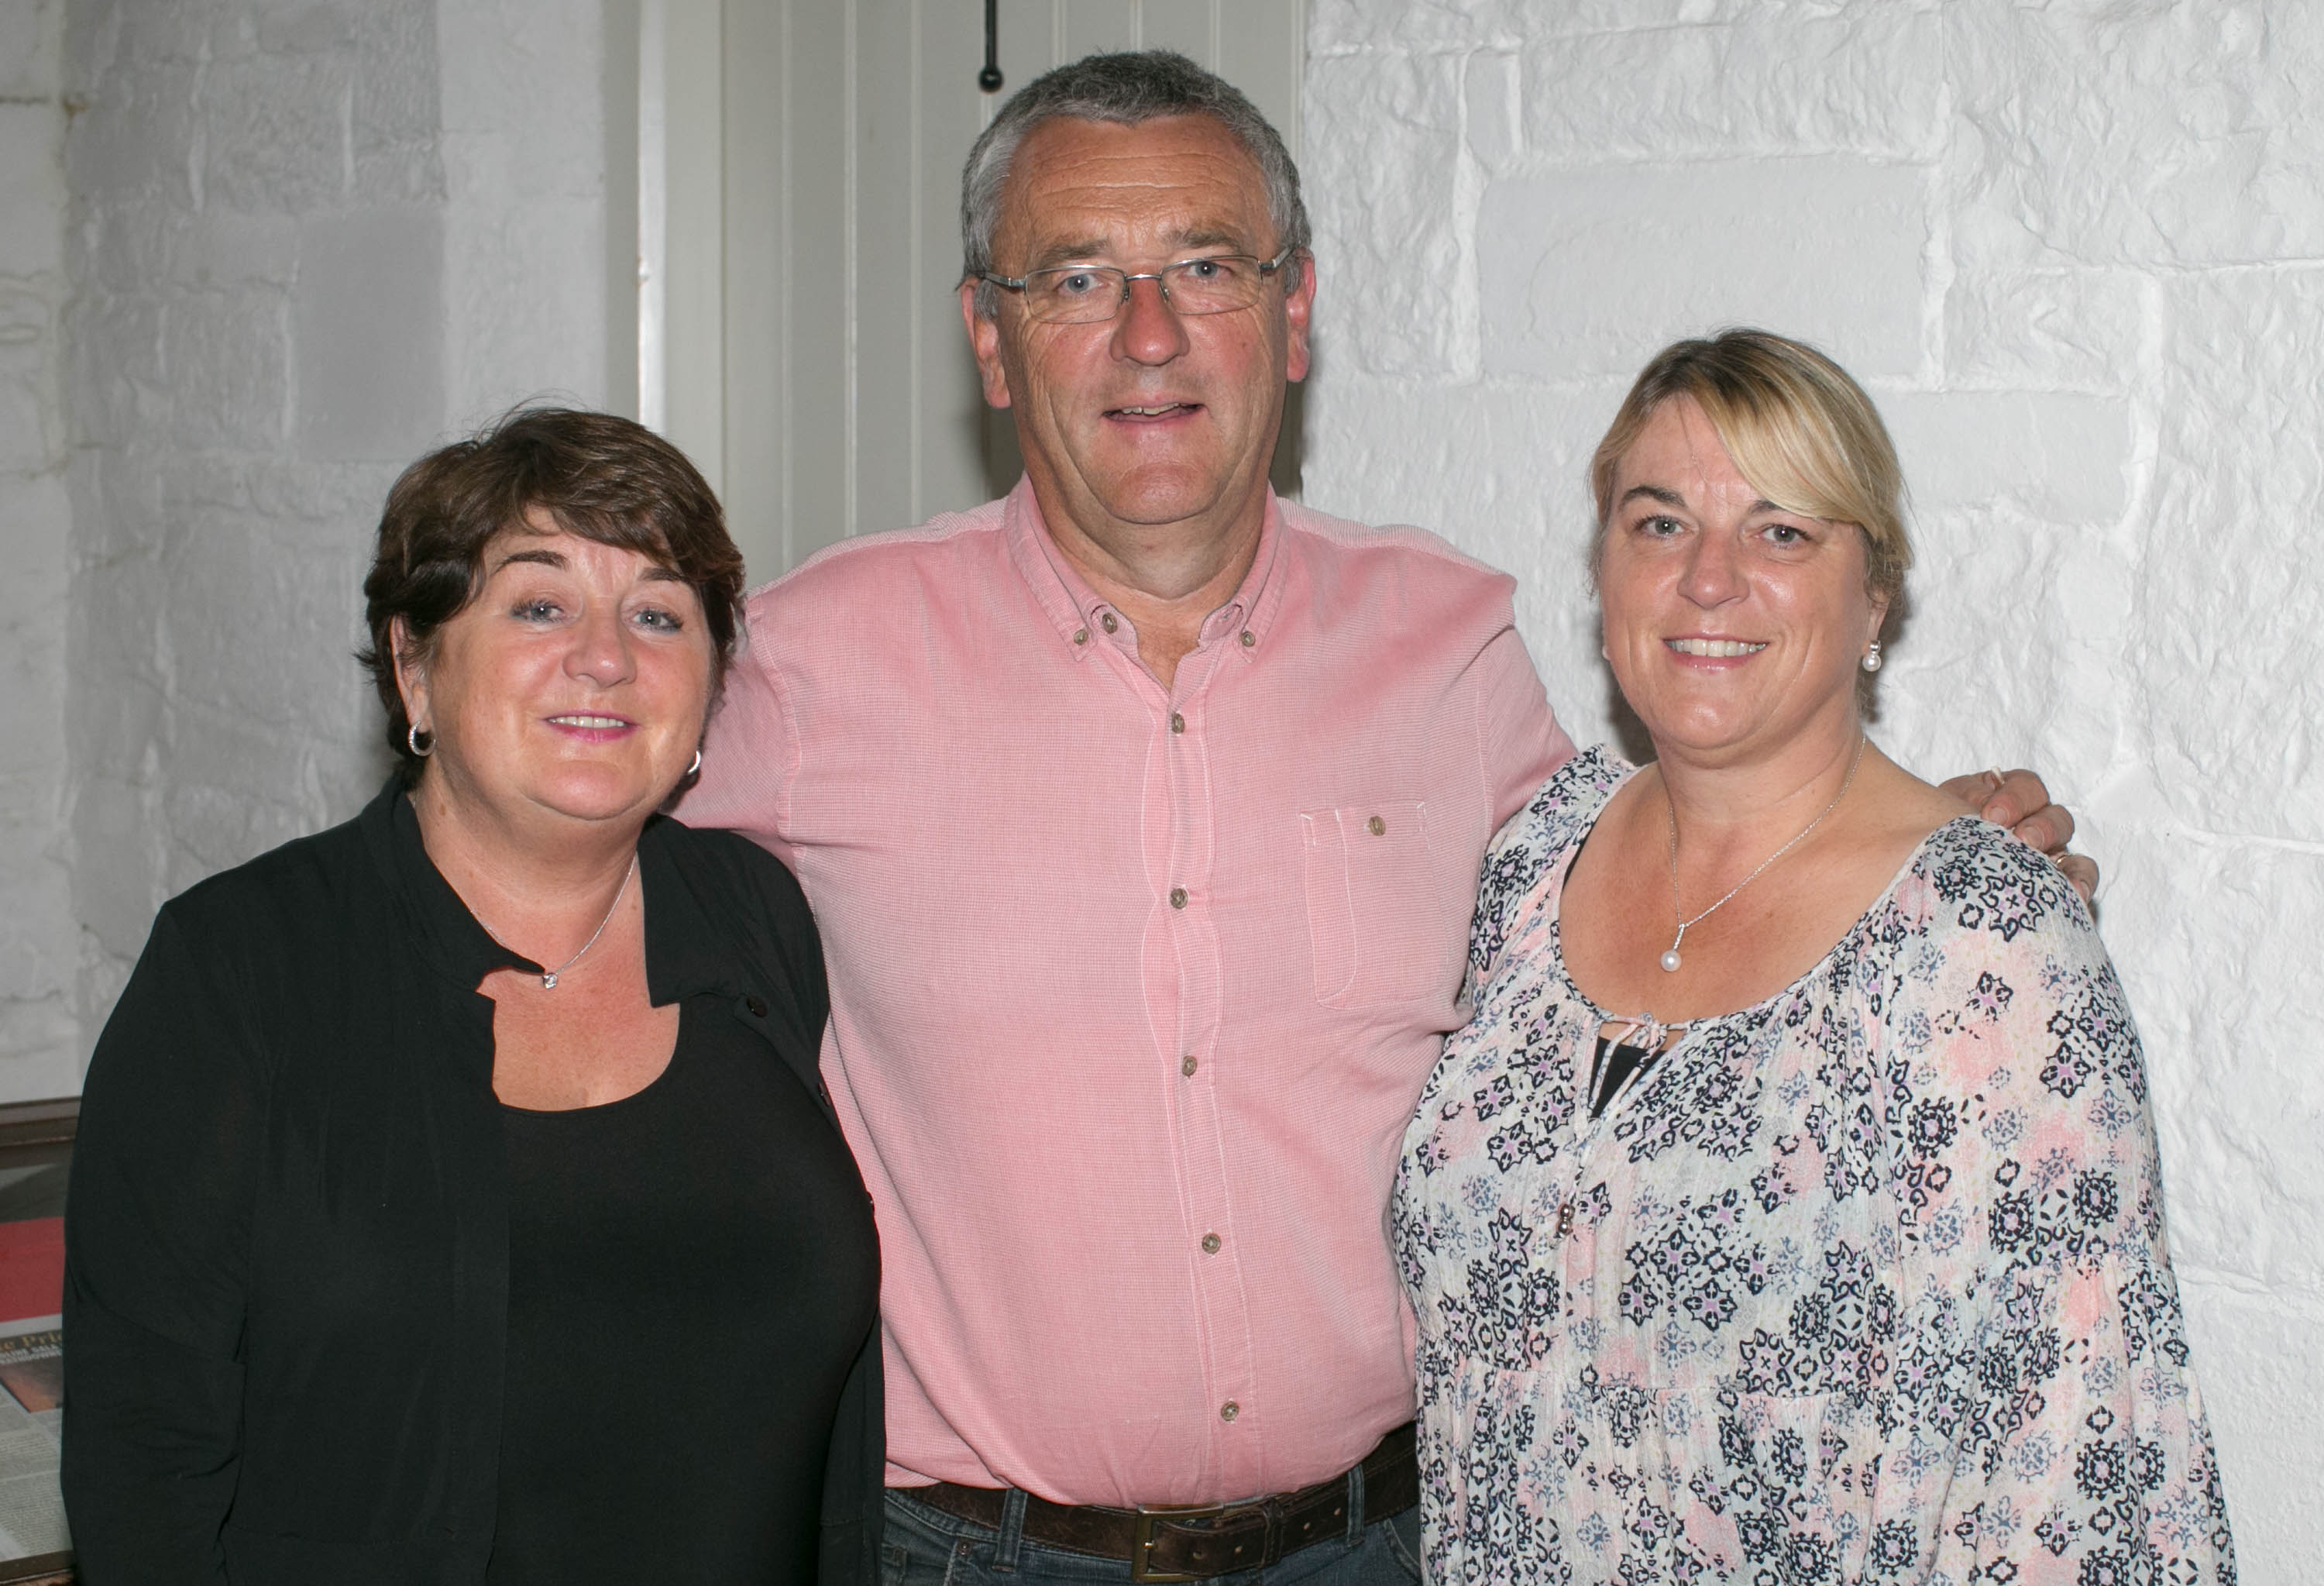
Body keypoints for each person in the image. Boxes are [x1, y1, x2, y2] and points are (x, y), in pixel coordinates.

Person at [682, 51, 2087, 1586]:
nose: (1150, 337)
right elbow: (557, 870)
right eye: (1080, 276)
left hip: (1378, 1549)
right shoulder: (815, 660)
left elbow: (1655, 912)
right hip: (972, 1555)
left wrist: (1887, 863)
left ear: (1294, 311)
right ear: (994, 340)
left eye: (1207, 266)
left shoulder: (1446, 640)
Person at [1393, 331, 2233, 1584]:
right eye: (1660, 523)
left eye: (1783, 531)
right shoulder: (1532, 862)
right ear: (1604, 569)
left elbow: (2080, 1473)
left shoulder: (1983, 951)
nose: (1711, 579)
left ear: (1874, 599)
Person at [63, 409, 882, 1584]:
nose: (606, 656)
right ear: (413, 666)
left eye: (658, 614)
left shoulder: (758, 924)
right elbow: (145, 1466)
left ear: (708, 691)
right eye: (539, 605)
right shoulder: (241, 970)